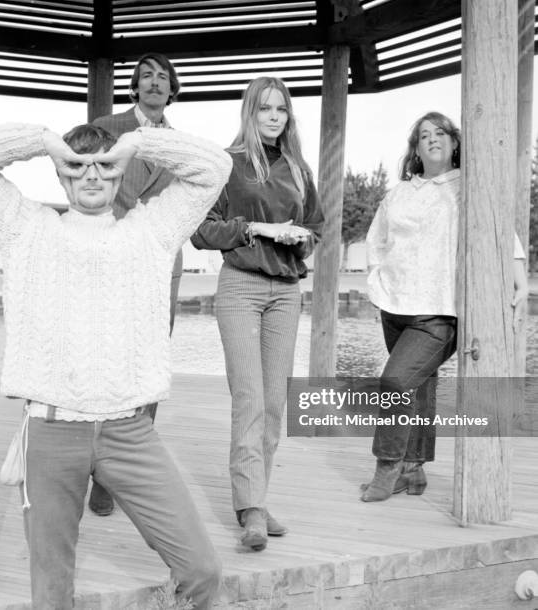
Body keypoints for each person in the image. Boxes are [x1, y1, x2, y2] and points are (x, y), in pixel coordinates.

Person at [0, 122, 231, 609]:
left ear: (120, 174)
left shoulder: (153, 231)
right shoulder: (26, 228)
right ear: (61, 175)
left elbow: (214, 168)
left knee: (202, 570)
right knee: (52, 593)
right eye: (78, 168)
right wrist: (42, 141)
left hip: (130, 432)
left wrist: (139, 143)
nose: (92, 177)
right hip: (51, 432)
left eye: (104, 166)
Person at [361, 111, 529, 502]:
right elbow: (377, 242)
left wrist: (520, 284)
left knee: (395, 383)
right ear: (416, 150)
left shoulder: (468, 187)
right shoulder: (398, 192)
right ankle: (413, 471)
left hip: (438, 312)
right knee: (417, 387)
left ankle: (386, 467)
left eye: (440, 133)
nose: (432, 139)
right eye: (423, 135)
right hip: (394, 306)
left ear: (454, 143)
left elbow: (503, 233)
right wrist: (376, 285)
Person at [191, 77, 324, 551]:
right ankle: (249, 509)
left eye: (281, 109)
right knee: (249, 399)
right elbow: (201, 231)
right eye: (265, 108)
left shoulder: (298, 167)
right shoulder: (227, 164)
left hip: (287, 292)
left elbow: (316, 227)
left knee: (272, 405)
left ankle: (257, 498)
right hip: (241, 288)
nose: (273, 116)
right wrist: (258, 228)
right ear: (250, 112)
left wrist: (300, 238)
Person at [89, 52, 181, 516]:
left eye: (163, 78)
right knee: (107, 354)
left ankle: (131, 470)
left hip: (161, 259)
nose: (154, 83)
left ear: (172, 89)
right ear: (134, 87)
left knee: (149, 361)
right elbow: (84, 175)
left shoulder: (181, 144)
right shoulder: (108, 125)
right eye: (146, 76)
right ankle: (101, 471)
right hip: (112, 252)